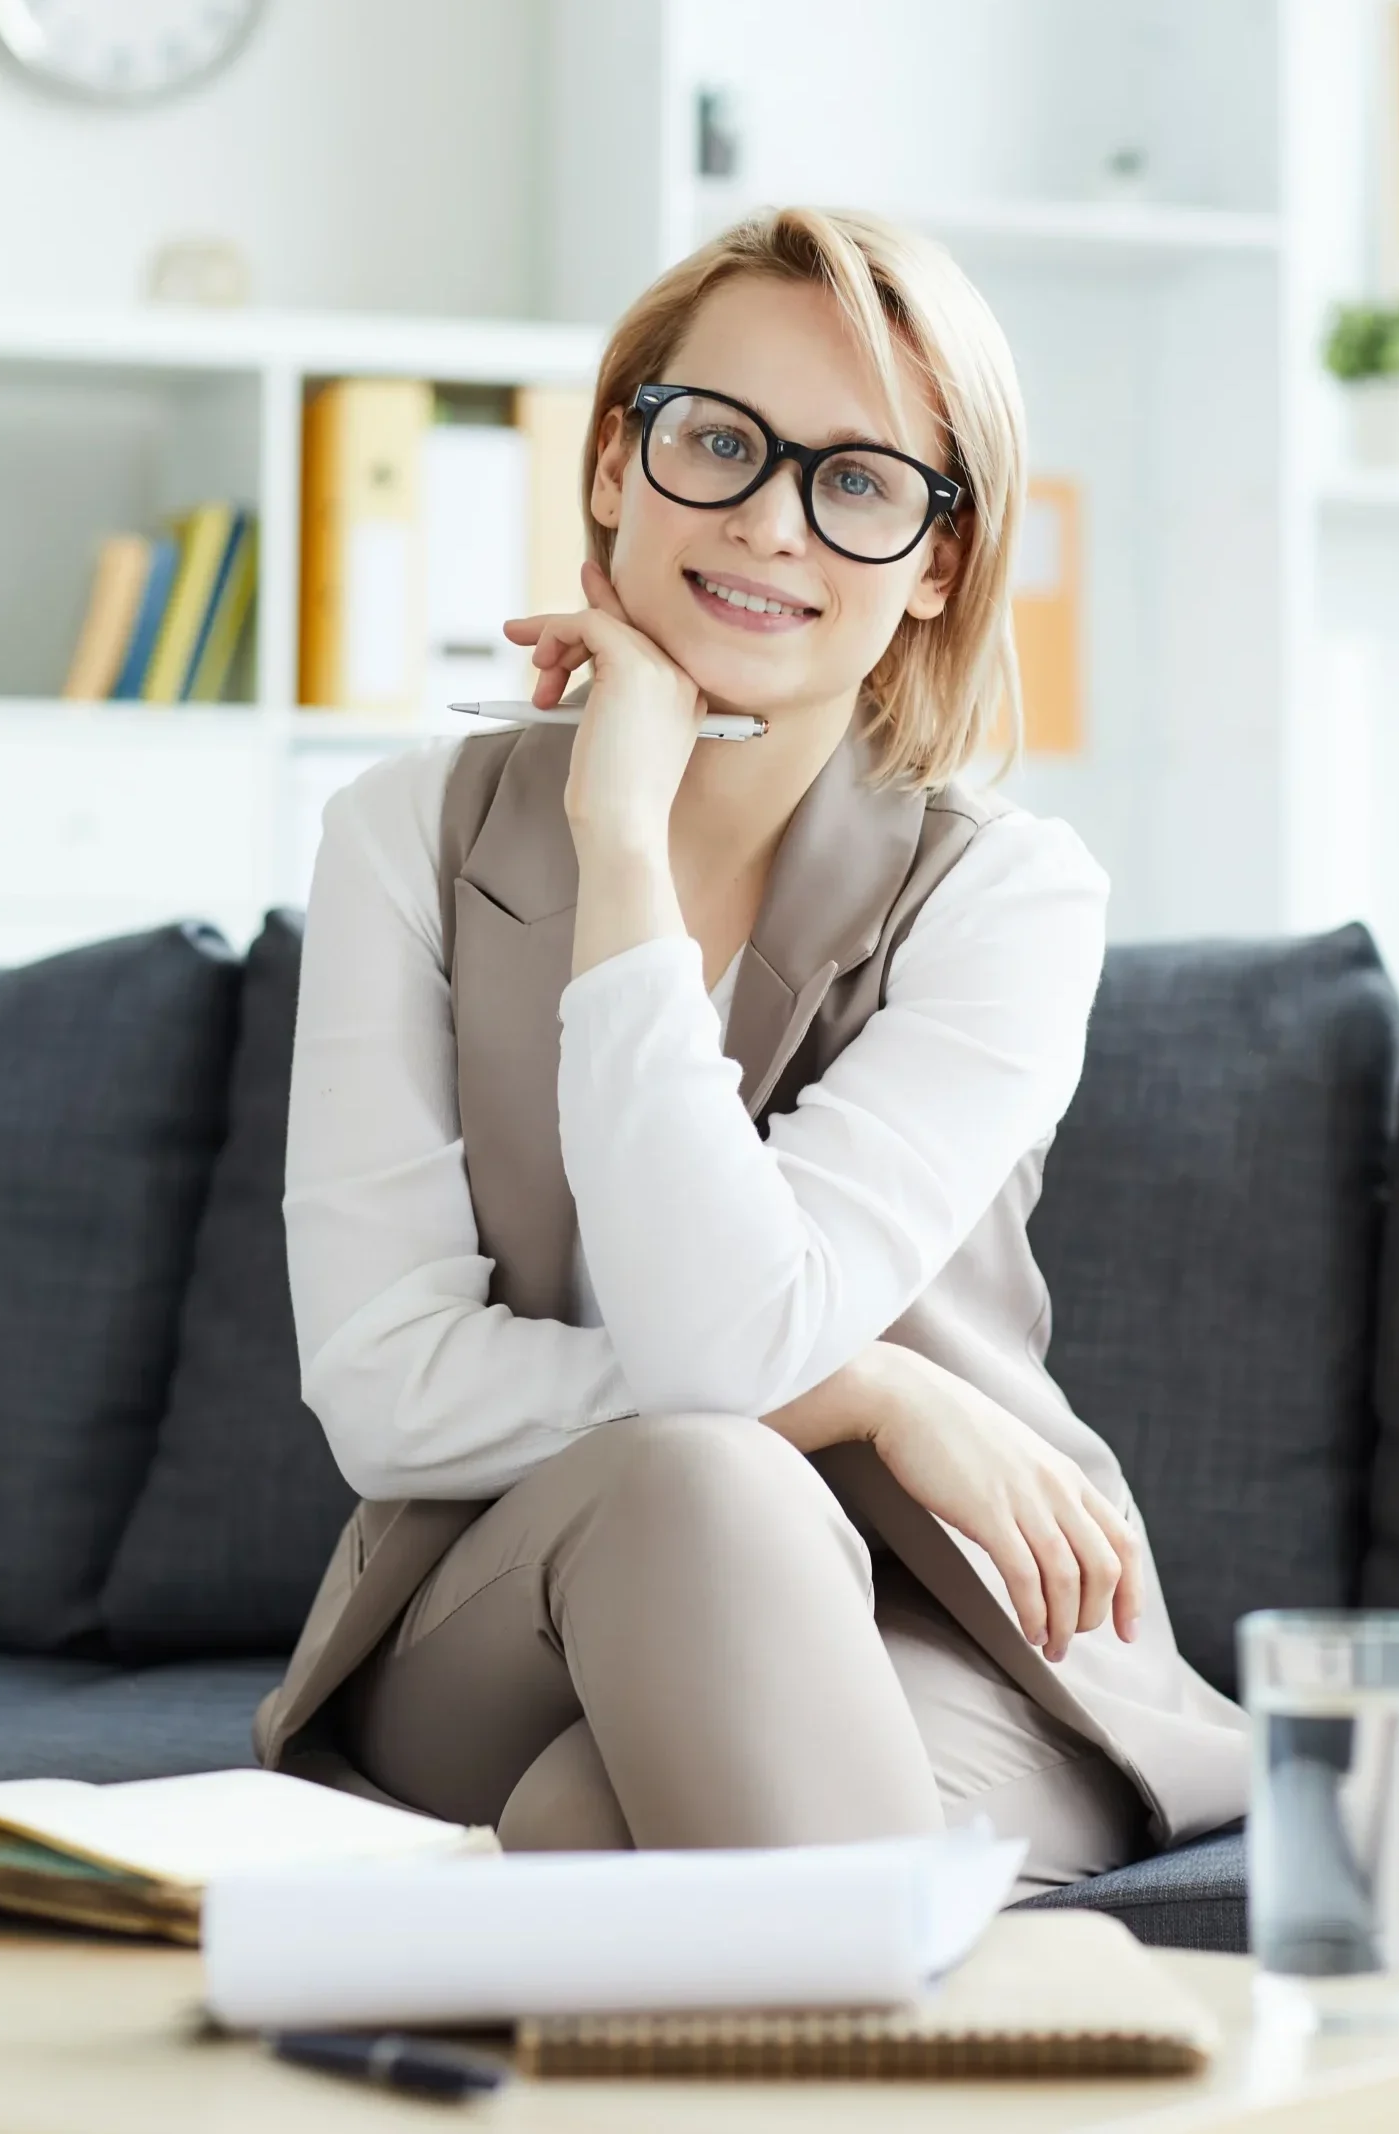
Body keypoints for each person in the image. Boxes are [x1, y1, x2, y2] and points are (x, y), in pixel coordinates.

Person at [252, 206, 1249, 1902]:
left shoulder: (1006, 892)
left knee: (593, 1823)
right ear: (613, 469)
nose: (769, 523)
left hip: (944, 1616)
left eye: (858, 481)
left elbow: (727, 1331)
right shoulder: (398, 835)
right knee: (700, 1479)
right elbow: (384, 1391)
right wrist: (862, 1389)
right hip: (524, 1599)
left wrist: (622, 858)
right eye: (716, 442)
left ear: (937, 559)